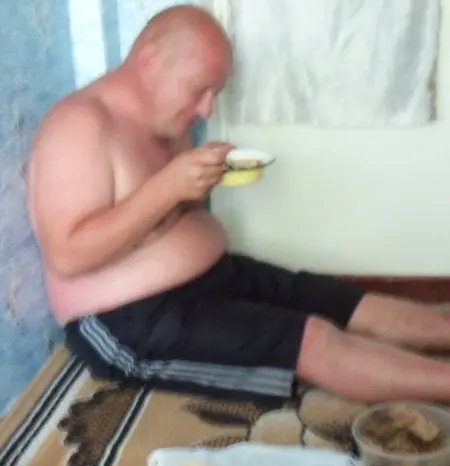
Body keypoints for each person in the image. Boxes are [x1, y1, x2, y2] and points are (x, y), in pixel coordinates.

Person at [28, 4, 450, 403]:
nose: (207, 108)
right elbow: (68, 255)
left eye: (215, 92)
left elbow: (163, 218)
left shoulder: (166, 124)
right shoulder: (79, 125)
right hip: (124, 324)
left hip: (202, 278)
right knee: (312, 338)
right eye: (200, 89)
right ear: (150, 60)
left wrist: (196, 183)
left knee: (333, 299)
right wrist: (169, 187)